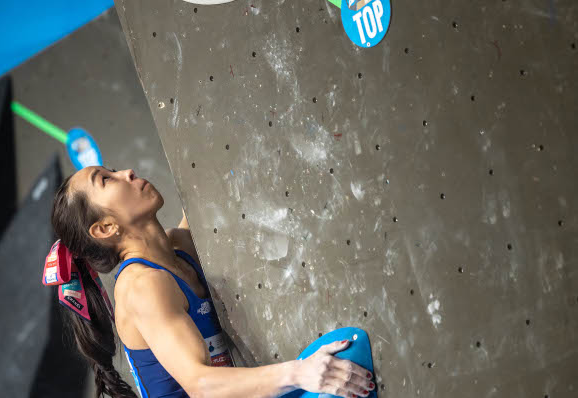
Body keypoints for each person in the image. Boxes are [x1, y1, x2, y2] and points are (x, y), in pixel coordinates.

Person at [51, 166, 376, 398]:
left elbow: (218, 176)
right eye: (107, 179)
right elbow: (201, 385)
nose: (128, 173)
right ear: (105, 228)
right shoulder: (142, 286)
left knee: (340, 363)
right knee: (346, 356)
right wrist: (299, 373)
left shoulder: (177, 249)